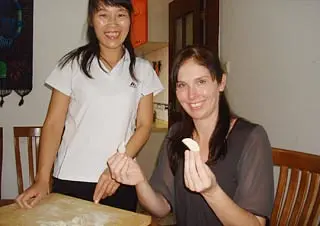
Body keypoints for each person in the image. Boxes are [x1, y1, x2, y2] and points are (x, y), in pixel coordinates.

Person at [15, 0, 163, 212]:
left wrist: (116, 169)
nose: (113, 24)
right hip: (70, 178)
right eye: (103, 15)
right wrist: (41, 179)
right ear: (92, 20)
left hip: (119, 179)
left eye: (120, 15)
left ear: (130, 19)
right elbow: (54, 124)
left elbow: (144, 125)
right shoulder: (72, 65)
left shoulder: (142, 70)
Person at [107, 45, 274, 225]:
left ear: (221, 82)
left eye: (201, 82)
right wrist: (139, 182)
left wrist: (212, 192)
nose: (191, 95)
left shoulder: (251, 138)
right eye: (182, 85)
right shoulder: (177, 135)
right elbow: (161, 207)